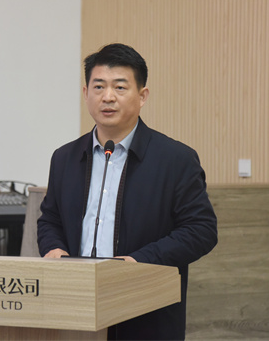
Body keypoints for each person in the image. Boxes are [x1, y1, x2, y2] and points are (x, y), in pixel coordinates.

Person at [37, 43, 218, 340]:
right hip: (74, 310)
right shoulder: (65, 157)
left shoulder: (175, 159)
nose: (108, 97)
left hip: (145, 312)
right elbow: (50, 219)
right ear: (86, 93)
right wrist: (54, 249)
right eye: (98, 87)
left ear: (142, 96)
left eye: (120, 87)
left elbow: (201, 230)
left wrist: (137, 262)